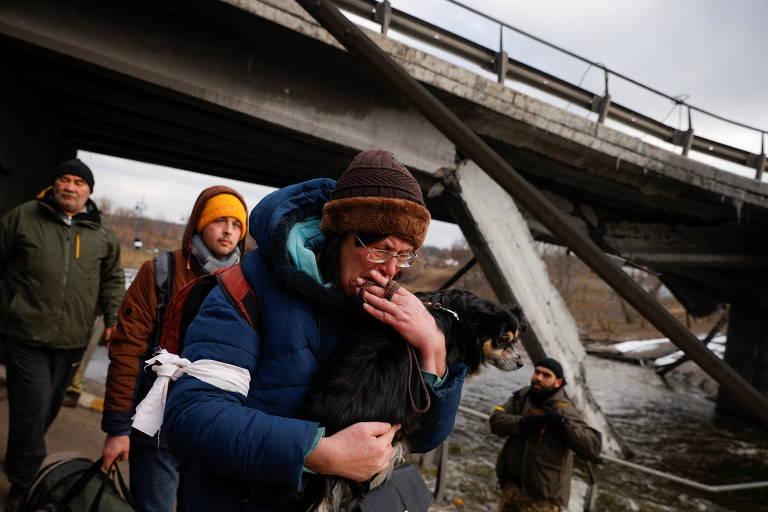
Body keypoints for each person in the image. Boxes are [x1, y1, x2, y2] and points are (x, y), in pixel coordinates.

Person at [161, 149, 467, 511]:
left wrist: (434, 350)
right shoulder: (247, 290)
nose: (390, 271)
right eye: (380, 250)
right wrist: (318, 452)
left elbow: (424, 438)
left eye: (403, 256)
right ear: (339, 236)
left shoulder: (393, 312)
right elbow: (193, 417)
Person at [101, 186, 248, 512]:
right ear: (198, 223)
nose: (228, 231)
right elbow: (127, 351)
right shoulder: (160, 272)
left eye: (237, 224)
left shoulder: (248, 282)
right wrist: (117, 427)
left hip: (215, 428)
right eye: (219, 221)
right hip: (159, 427)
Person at [0, 158, 124, 511]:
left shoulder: (102, 233)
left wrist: (114, 318)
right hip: (26, 335)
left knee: (47, 410)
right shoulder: (24, 217)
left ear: (89, 191)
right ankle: (24, 484)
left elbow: (114, 279)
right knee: (32, 408)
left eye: (78, 182)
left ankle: (18, 461)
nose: (70, 187)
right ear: (54, 185)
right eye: (64, 180)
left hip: (72, 340)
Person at [489, 358, 602, 512]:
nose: (539, 378)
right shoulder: (523, 397)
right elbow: (495, 421)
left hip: (542, 499)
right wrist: (522, 423)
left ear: (558, 382)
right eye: (537, 372)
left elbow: (593, 446)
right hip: (512, 488)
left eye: (546, 375)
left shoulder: (564, 410)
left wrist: (564, 426)